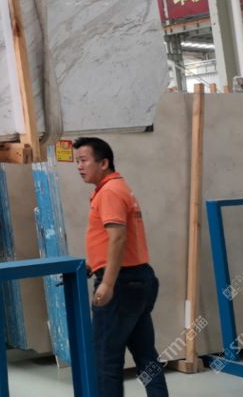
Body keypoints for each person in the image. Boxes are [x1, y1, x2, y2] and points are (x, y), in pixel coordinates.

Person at [74, 136, 169, 397]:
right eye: (77, 162)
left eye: (84, 160)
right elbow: (115, 241)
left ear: (104, 163)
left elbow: (117, 237)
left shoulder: (109, 192)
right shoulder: (118, 187)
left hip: (121, 284)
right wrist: (95, 263)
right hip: (138, 279)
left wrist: (107, 283)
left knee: (106, 359)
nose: (79, 167)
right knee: (146, 356)